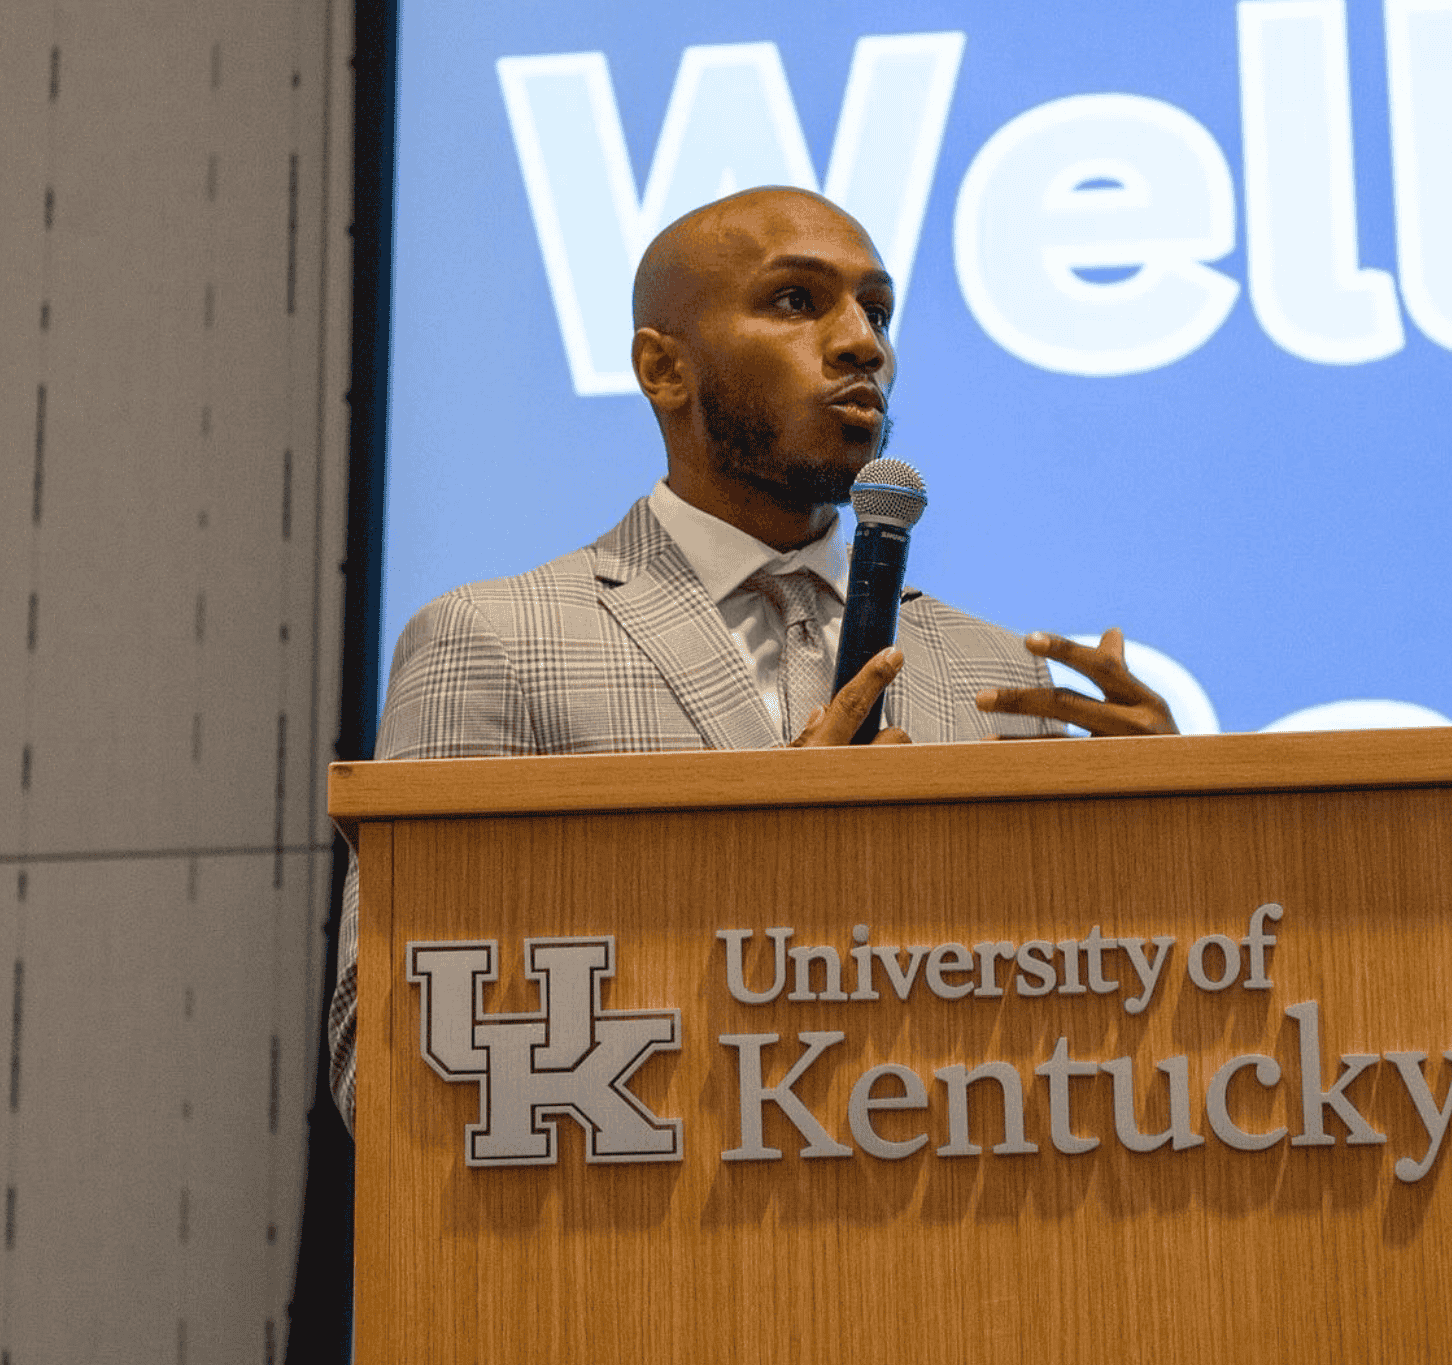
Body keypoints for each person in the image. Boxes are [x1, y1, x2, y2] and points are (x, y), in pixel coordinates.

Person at [327, 186, 1176, 1131]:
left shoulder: (991, 678)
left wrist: (1163, 850)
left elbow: (1092, 1056)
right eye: (796, 302)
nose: (864, 343)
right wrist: (758, 873)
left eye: (878, 311)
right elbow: (391, 1064)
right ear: (664, 368)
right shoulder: (496, 642)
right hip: (638, 1254)